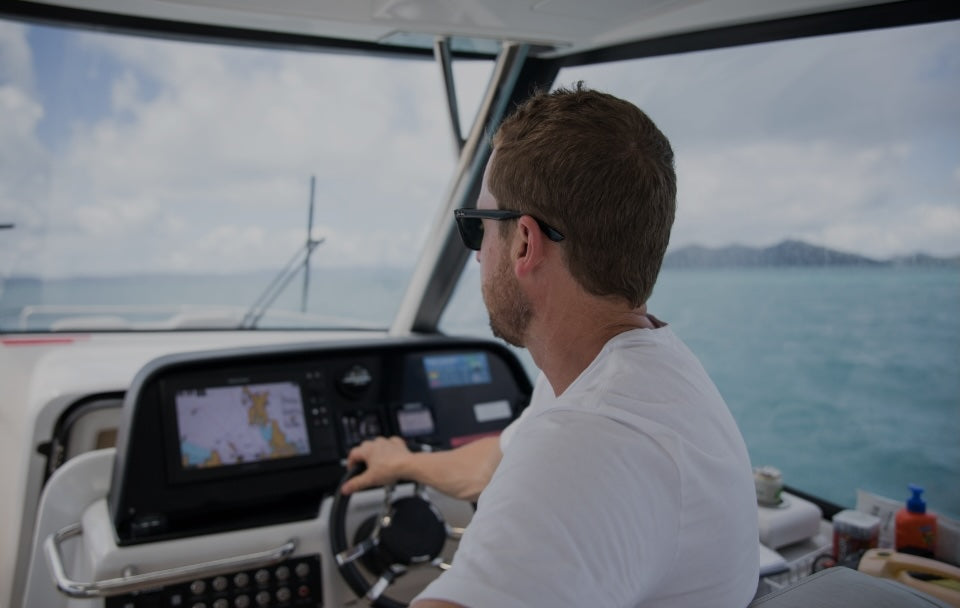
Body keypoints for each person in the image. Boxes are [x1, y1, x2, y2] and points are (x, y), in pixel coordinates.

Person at [342, 84, 760, 607]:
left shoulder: (592, 441)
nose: (476, 257)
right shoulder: (634, 367)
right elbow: (494, 463)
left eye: (477, 228)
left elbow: (564, 467)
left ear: (522, 242)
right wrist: (404, 462)